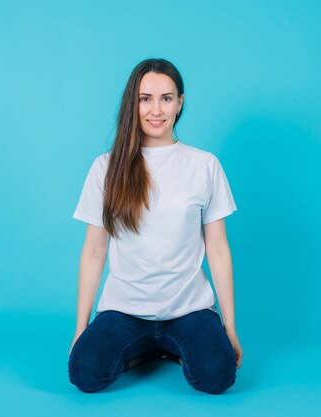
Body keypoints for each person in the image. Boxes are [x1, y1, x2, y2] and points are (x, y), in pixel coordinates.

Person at [67, 58, 243, 394]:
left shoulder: (204, 165)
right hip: (124, 311)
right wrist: (80, 328)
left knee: (217, 375)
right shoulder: (105, 167)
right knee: (84, 372)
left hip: (189, 310)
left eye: (166, 98)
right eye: (145, 98)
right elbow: (94, 251)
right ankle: (146, 351)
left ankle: (170, 347)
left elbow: (218, 249)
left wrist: (230, 327)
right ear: (132, 103)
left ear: (180, 103)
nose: (155, 109)